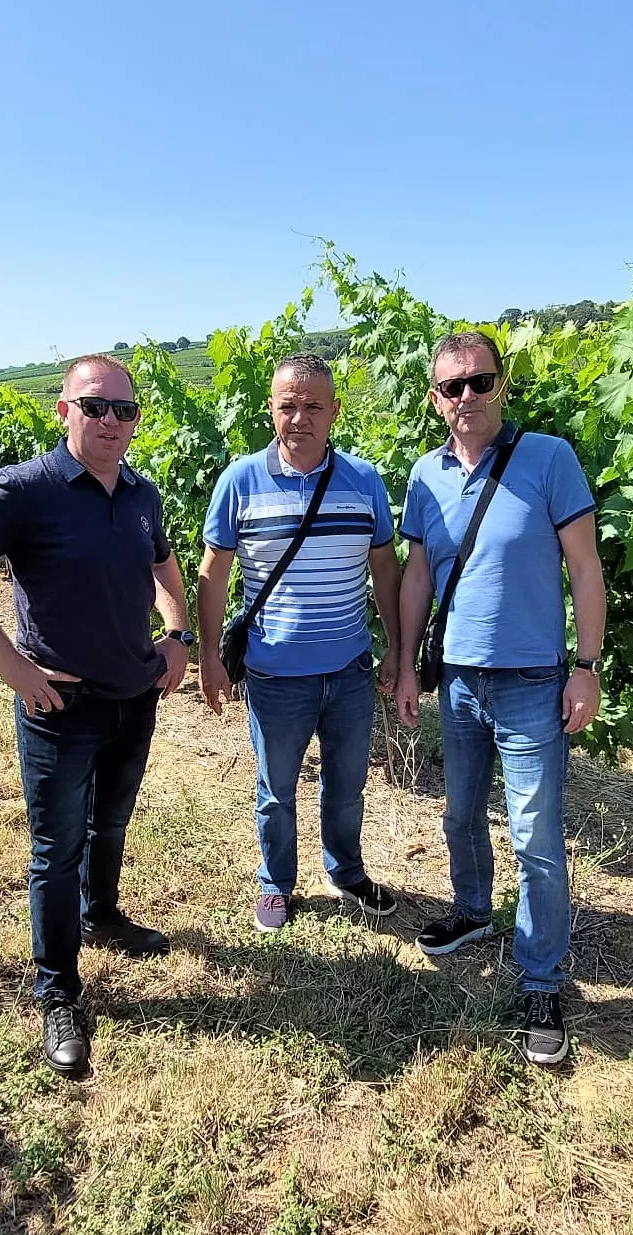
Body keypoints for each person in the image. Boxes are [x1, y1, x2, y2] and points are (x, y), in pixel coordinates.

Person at [0, 354, 192, 1078]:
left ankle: (102, 913)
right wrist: (12, 667)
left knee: (112, 822)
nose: (111, 421)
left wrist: (177, 633)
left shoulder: (140, 492)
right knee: (56, 849)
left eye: (124, 410)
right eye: (94, 405)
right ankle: (58, 992)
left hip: (134, 696)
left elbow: (163, 567)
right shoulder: (27, 489)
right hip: (60, 706)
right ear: (64, 410)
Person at [396, 331, 606, 1066]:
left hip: (532, 682)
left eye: (479, 381)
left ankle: (541, 980)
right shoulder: (424, 475)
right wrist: (404, 665)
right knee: (458, 813)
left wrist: (586, 666)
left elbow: (585, 569)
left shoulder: (548, 458)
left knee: (535, 838)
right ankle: (472, 910)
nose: (466, 397)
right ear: (435, 399)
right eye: (452, 386)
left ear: (501, 385)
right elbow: (417, 576)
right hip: (458, 681)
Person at [197, 353, 402, 932]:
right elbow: (213, 573)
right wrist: (208, 656)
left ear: (334, 410)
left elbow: (385, 568)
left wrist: (395, 647)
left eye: (313, 406)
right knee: (276, 790)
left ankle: (347, 872)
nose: (300, 417)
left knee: (347, 785)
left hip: (350, 672)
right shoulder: (240, 481)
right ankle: (276, 883)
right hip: (274, 674)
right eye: (288, 405)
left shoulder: (364, 480)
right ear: (271, 409)